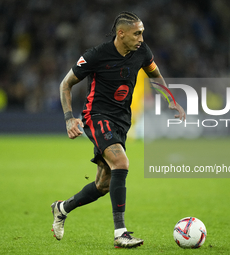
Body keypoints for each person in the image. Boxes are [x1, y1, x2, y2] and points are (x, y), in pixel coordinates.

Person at [51, 11, 186, 248]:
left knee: (103, 185)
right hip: (97, 116)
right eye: (137, 33)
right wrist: (69, 119)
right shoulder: (96, 55)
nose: (141, 38)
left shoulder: (142, 52)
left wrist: (170, 99)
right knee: (121, 163)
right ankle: (120, 233)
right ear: (121, 33)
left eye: (142, 32)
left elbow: (155, 75)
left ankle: (62, 208)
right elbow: (66, 84)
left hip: (122, 120)